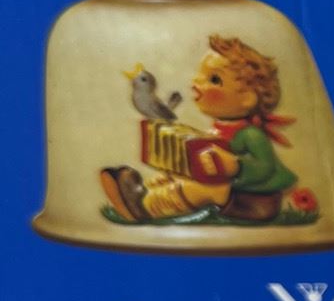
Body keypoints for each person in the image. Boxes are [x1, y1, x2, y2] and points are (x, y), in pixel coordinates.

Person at [100, 35, 299, 224]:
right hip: (231, 191)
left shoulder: (251, 135)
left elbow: (264, 168)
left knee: (200, 187)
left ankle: (147, 207)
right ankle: (144, 190)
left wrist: (236, 166)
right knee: (183, 175)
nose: (196, 83)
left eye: (214, 80)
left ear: (247, 99)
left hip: (252, 202)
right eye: (201, 75)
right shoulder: (220, 129)